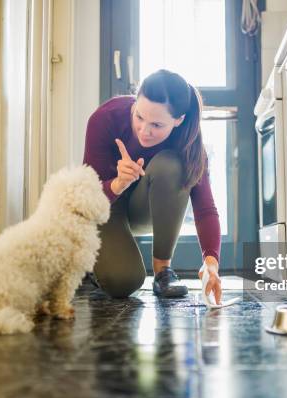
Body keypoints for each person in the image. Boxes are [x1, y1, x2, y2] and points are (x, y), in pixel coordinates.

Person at [83, 69, 223, 303]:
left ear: (178, 121)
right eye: (139, 117)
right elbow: (87, 198)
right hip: (107, 207)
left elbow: (205, 207)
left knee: (172, 165)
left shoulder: (188, 140)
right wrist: (117, 184)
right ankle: (94, 267)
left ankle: (163, 272)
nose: (144, 131)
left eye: (157, 125)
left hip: (144, 207)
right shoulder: (104, 118)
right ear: (135, 100)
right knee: (123, 282)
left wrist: (211, 264)